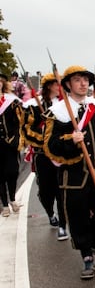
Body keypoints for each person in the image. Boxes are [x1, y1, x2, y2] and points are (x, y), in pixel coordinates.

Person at [43, 66, 95, 280]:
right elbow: (49, 147)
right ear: (68, 84)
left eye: (85, 80)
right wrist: (71, 140)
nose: (83, 84)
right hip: (74, 179)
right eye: (77, 80)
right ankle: (86, 254)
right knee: (78, 218)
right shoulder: (58, 113)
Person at [22, 73, 68, 240]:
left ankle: (63, 225)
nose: (60, 88)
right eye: (57, 85)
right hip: (42, 154)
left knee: (62, 190)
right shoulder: (33, 105)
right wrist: (44, 140)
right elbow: (27, 130)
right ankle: (50, 213)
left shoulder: (64, 105)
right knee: (46, 191)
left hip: (61, 154)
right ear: (49, 86)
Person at [0, 73, 24, 217]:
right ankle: (4, 205)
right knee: (0, 175)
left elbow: (19, 122)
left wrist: (16, 139)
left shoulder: (12, 101)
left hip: (10, 143)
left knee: (12, 172)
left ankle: (13, 199)